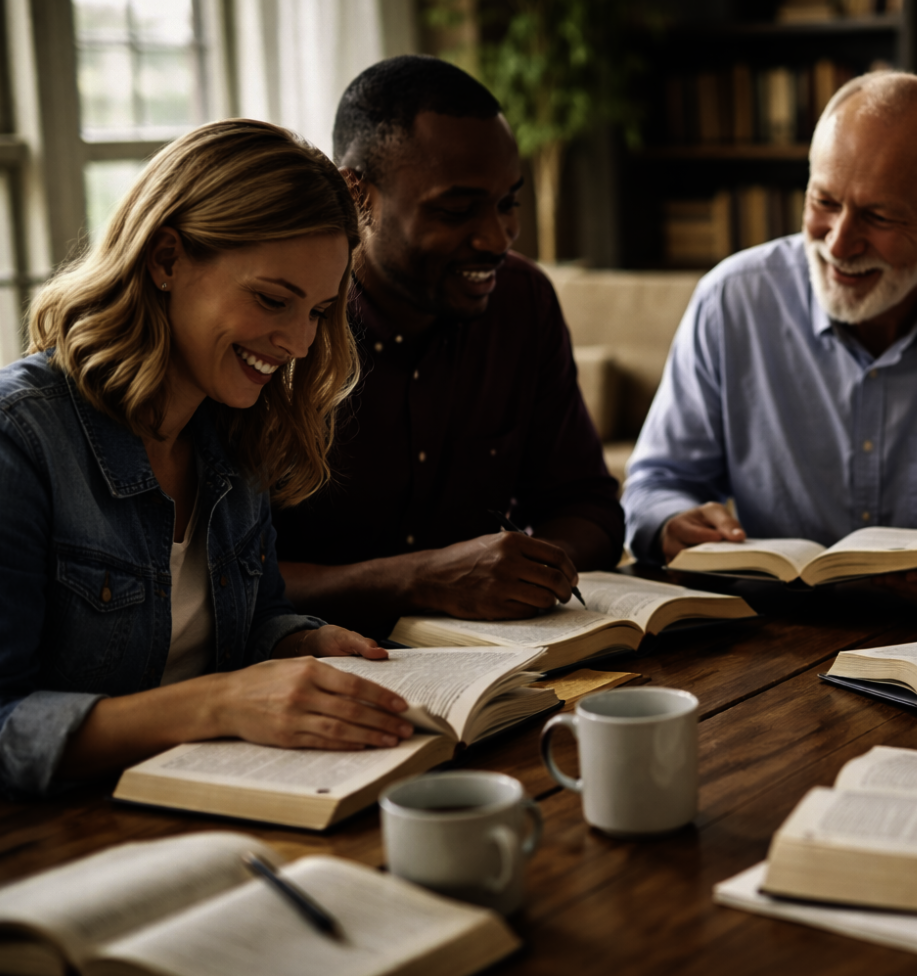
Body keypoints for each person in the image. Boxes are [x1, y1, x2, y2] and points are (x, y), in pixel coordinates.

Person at [0, 120, 417, 798]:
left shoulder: (233, 429)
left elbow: (250, 621)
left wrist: (299, 645)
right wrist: (219, 703)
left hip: (224, 800)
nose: (300, 344)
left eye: (317, 311)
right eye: (272, 300)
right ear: (166, 259)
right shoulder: (20, 439)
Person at [623, 72, 917, 612]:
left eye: (879, 216)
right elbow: (654, 483)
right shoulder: (730, 300)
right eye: (825, 201)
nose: (839, 242)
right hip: (764, 631)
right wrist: (672, 521)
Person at [272, 56, 623, 635]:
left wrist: (528, 568)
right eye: (456, 210)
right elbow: (229, 578)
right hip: (319, 666)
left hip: (502, 662)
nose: (496, 238)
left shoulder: (522, 302)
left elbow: (588, 506)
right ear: (356, 193)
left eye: (508, 202)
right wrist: (423, 578)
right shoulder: (282, 328)